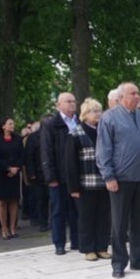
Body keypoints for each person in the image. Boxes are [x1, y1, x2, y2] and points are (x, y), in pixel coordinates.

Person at [96, 82, 140, 279]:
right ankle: (118, 262)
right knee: (120, 223)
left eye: (138, 93)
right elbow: (104, 149)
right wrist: (109, 175)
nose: (137, 96)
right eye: (133, 93)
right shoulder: (109, 118)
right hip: (120, 179)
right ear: (122, 97)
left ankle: (138, 259)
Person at [65, 98, 112, 261]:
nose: (98, 114)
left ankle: (102, 246)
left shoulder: (104, 131)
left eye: (99, 110)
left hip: (105, 182)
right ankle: (88, 248)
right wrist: (74, 188)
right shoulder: (76, 133)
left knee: (103, 216)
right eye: (94, 111)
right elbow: (70, 163)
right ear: (85, 114)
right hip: (86, 184)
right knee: (86, 217)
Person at [42, 92, 80, 255]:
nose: (72, 104)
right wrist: (50, 177)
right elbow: (46, 152)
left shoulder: (79, 121)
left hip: (76, 175)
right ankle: (59, 243)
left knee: (76, 210)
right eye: (68, 101)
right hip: (59, 176)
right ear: (59, 105)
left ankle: (77, 240)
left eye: (73, 101)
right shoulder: (51, 125)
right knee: (58, 210)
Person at [0, 118, 25, 240]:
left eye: (13, 123)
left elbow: (22, 154)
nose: (13, 125)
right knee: (2, 201)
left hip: (15, 173)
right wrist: (7, 168)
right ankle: (4, 228)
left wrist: (16, 168)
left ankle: (13, 228)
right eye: (10, 124)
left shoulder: (17, 139)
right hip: (2, 174)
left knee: (14, 200)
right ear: (3, 126)